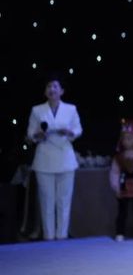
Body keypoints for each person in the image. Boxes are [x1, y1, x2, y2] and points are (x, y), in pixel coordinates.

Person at [26, 73, 83, 240]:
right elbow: (30, 133)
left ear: (62, 91)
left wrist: (69, 132)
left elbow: (78, 129)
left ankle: (62, 236)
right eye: (49, 87)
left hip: (65, 157)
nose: (52, 89)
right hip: (44, 157)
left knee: (64, 201)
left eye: (55, 86)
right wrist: (38, 135)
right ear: (45, 91)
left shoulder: (71, 109)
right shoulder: (37, 110)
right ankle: (49, 237)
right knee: (46, 201)